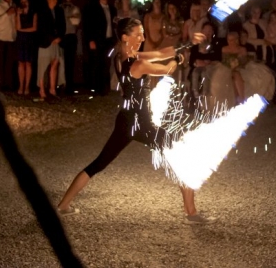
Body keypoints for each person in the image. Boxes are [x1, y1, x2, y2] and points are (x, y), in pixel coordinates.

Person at [56, 17, 215, 224]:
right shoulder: (137, 63)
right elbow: (167, 68)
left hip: (126, 121)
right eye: (137, 34)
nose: (142, 37)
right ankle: (191, 213)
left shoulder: (123, 56)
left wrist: (187, 44)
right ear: (125, 37)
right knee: (182, 157)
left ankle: (63, 206)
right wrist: (179, 60)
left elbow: (161, 53)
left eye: (142, 33)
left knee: (98, 163)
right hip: (142, 125)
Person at [84, 0, 116, 95]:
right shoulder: (94, 9)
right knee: (97, 63)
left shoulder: (112, 9)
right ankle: (96, 87)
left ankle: (105, 86)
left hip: (109, 40)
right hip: (98, 40)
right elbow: (88, 26)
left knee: (106, 63)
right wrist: (91, 40)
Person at [36, 0, 66, 100]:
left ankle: (52, 89)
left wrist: (59, 37)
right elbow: (42, 27)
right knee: (43, 66)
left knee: (55, 63)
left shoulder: (59, 11)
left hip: (57, 42)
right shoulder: (43, 12)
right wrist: (51, 38)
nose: (55, 1)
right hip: (46, 42)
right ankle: (42, 90)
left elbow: (63, 26)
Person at [60, 0, 81, 93]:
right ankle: (60, 83)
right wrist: (70, 17)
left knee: (70, 61)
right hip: (61, 36)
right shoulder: (59, 7)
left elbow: (76, 21)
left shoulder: (75, 8)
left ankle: (69, 85)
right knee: (60, 60)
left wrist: (69, 18)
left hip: (71, 36)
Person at [16, 0, 37, 96]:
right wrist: (18, 15)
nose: (24, 3)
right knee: (21, 62)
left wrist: (23, 30)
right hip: (21, 39)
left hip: (30, 40)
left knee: (28, 63)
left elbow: (34, 28)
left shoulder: (33, 13)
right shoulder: (19, 13)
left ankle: (27, 86)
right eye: (22, 1)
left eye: (25, 1)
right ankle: (21, 85)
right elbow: (18, 27)